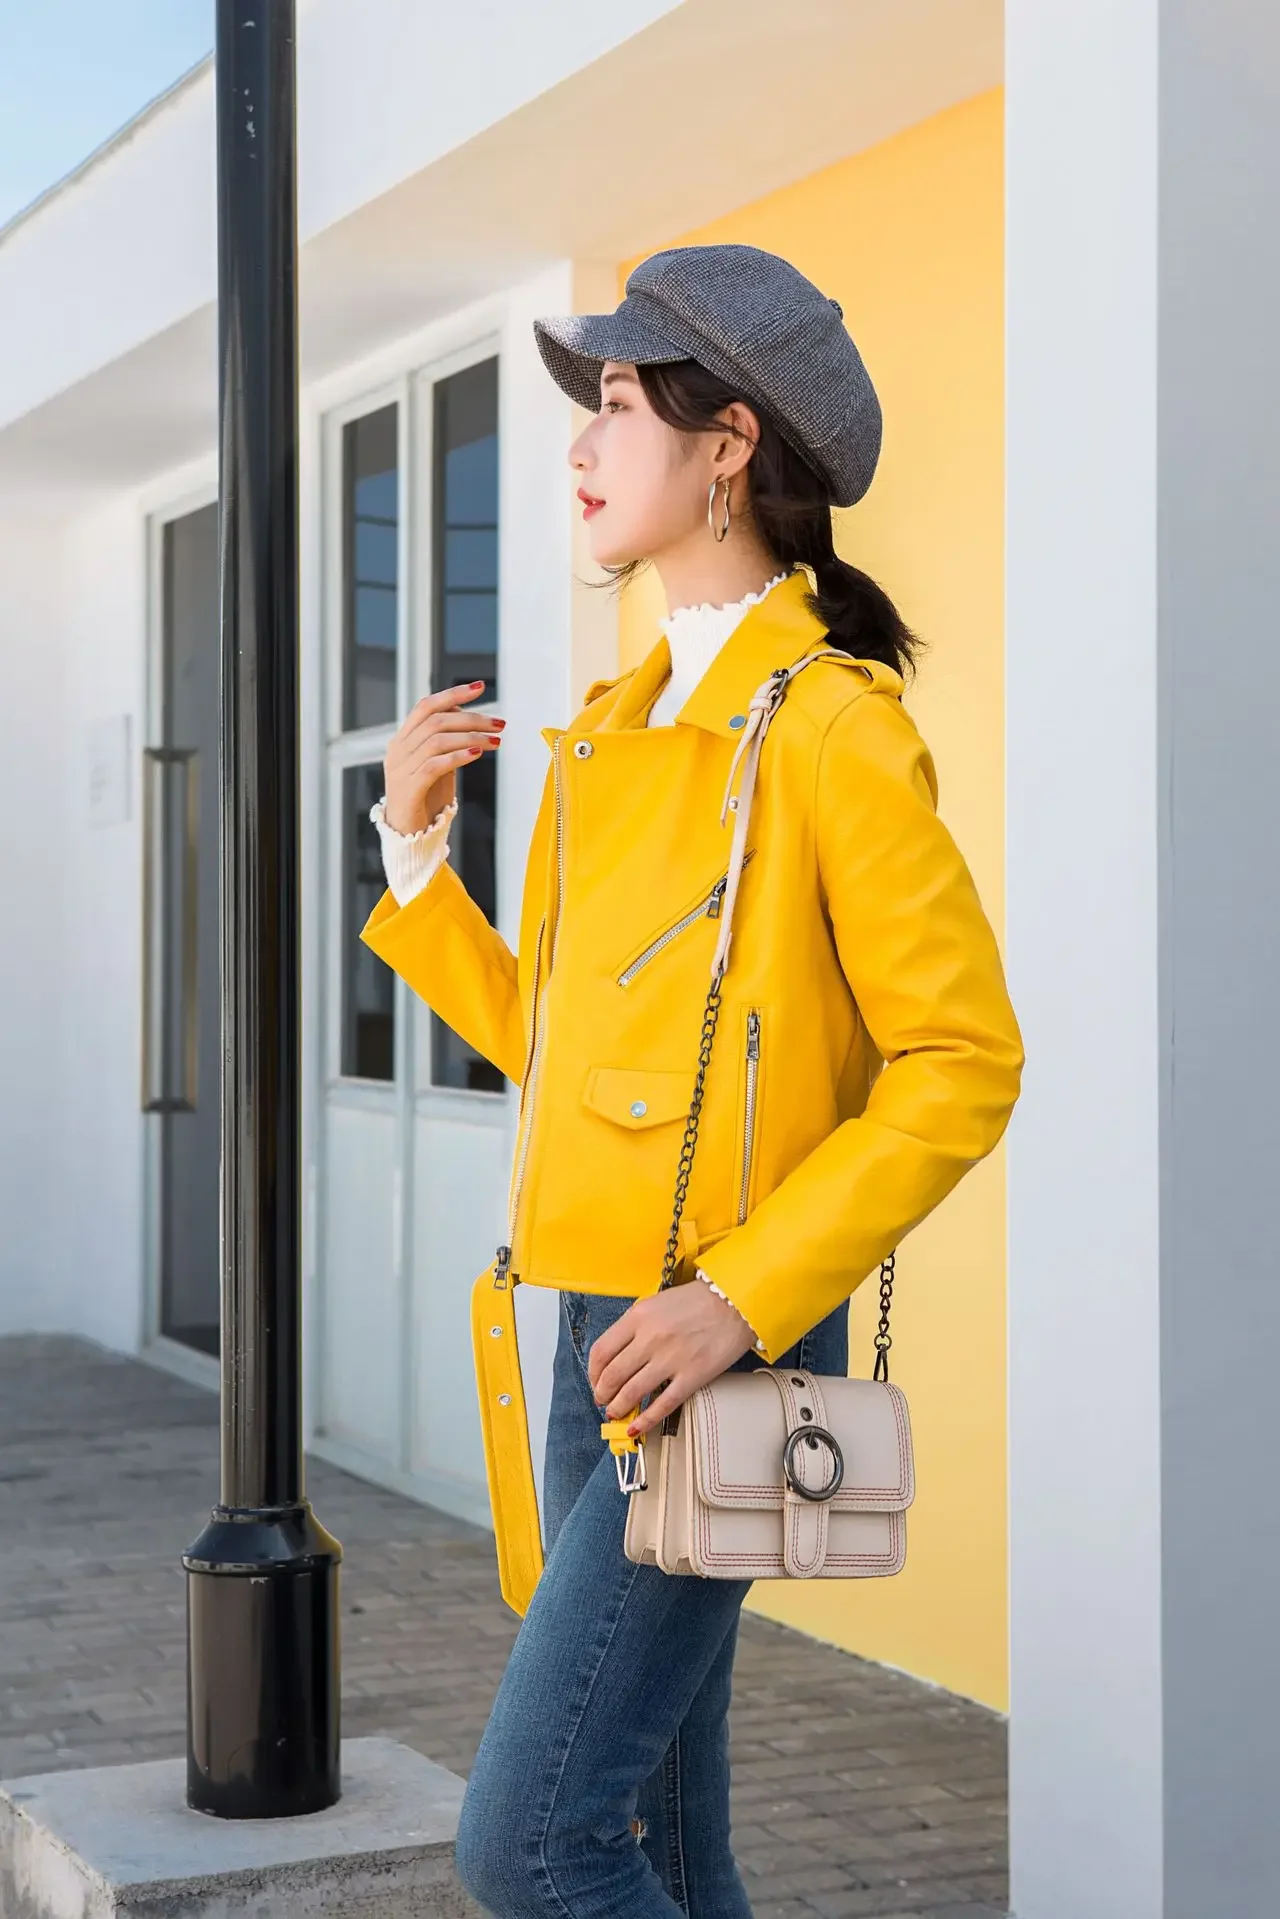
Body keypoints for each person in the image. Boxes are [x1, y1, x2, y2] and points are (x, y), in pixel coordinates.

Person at [360, 244, 1023, 1919]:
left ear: (729, 443)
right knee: (659, 1842)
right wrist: (416, 856)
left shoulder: (829, 728)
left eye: (618, 402)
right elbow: (565, 1049)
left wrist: (738, 1294)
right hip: (594, 1323)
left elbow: (961, 1060)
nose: (580, 441)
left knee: (531, 1843)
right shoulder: (610, 730)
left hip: (716, 1335)